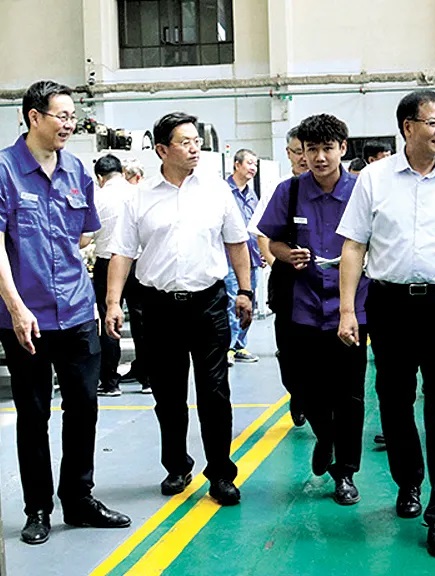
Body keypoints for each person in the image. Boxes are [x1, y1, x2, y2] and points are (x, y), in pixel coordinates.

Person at [337, 90, 435, 558]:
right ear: (408, 127)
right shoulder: (374, 179)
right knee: (394, 399)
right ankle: (408, 482)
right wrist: (348, 310)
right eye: (433, 123)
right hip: (390, 304)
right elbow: (354, 246)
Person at [0, 80, 131, 545]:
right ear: (34, 117)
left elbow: (83, 235)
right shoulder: (5, 170)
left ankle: (78, 499)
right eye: (62, 116)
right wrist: (16, 306)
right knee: (33, 413)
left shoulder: (76, 169)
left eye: (73, 116)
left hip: (76, 311)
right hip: (26, 318)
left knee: (84, 408)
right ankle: (37, 508)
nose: (70, 124)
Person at [105, 112, 254, 507]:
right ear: (161, 150)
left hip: (208, 305)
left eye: (196, 142)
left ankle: (220, 473)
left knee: (215, 393)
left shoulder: (216, 191)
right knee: (168, 395)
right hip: (158, 309)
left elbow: (236, 243)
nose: (194, 149)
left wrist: (245, 291)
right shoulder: (139, 196)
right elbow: (122, 252)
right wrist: (112, 302)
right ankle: (176, 465)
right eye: (185, 142)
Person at [257, 114, 370, 505]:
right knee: (303, 385)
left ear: (342, 148)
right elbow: (273, 241)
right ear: (301, 152)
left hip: (352, 308)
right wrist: (289, 254)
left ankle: (345, 472)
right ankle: (326, 436)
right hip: (301, 307)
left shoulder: (362, 192)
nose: (320, 157)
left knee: (349, 394)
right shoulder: (289, 192)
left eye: (327, 148)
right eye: (312, 150)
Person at [248, 126, 308, 427]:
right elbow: (262, 233)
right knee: (289, 348)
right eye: (299, 151)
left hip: (322, 282)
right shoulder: (280, 189)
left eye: (310, 150)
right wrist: (276, 262)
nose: (306, 158)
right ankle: (298, 393)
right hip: (287, 281)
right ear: (289, 153)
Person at [86, 154, 149, 396]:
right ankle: (147, 379)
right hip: (138, 263)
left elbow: (85, 238)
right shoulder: (138, 193)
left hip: (108, 263)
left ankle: (110, 382)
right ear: (122, 172)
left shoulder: (97, 197)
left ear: (100, 177)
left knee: (108, 320)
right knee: (142, 320)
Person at [225, 149, 261, 367]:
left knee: (249, 304)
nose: (253, 168)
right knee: (233, 303)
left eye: (255, 164)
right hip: (231, 260)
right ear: (237, 165)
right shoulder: (224, 192)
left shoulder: (251, 194)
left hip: (252, 259)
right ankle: (228, 348)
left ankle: (240, 345)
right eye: (249, 163)